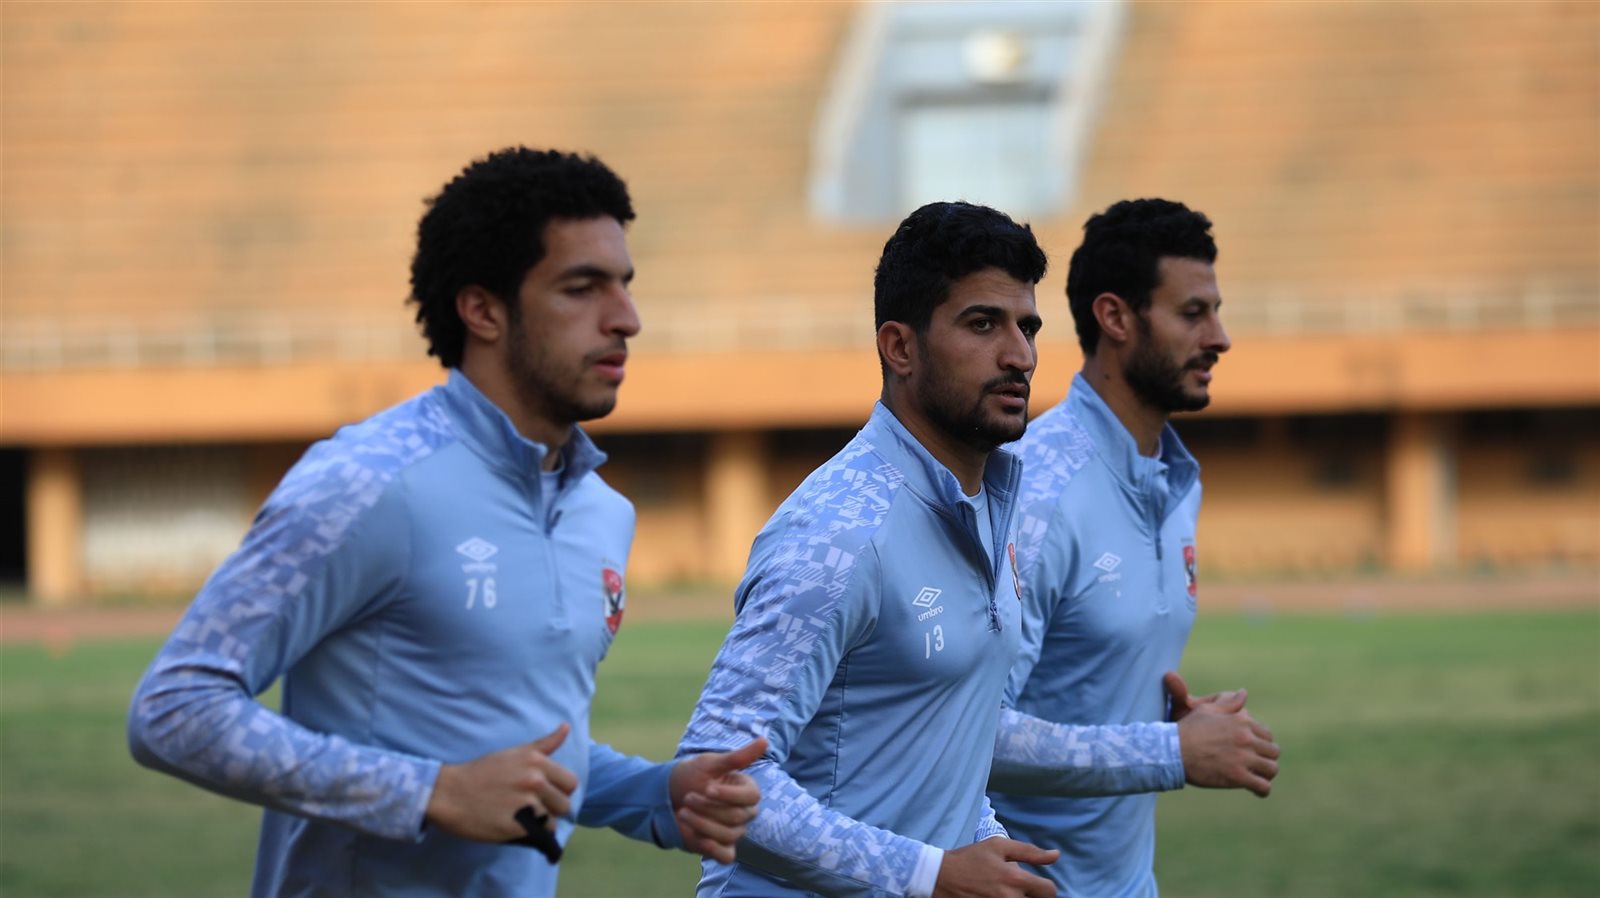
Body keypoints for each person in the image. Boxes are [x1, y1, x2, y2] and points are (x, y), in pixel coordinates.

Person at [126, 147, 764, 898]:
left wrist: (655, 794)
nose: (627, 318)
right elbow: (175, 708)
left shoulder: (602, 512)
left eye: (624, 284)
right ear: (483, 310)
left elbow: (510, 751)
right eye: (582, 288)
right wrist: (428, 790)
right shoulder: (367, 483)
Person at [677, 201, 1062, 898]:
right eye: (983, 324)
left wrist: (983, 844)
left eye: (1027, 326)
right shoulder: (839, 531)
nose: (1020, 355)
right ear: (900, 348)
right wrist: (930, 874)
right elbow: (718, 774)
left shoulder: (992, 504)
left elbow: (931, 744)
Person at [988, 198, 1280, 897]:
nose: (1219, 337)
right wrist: (1168, 749)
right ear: (1115, 318)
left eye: (1216, 311)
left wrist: (1165, 721)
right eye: (1192, 313)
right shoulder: (1036, 493)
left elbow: (1076, 680)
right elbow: (969, 733)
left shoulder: (1176, 481)